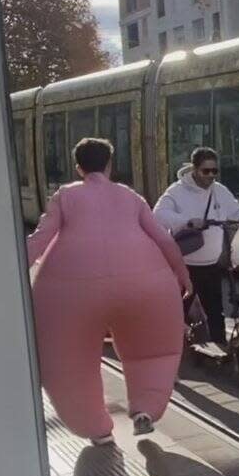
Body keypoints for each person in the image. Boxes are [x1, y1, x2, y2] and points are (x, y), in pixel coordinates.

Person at [26, 137, 191, 442]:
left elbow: (40, 238)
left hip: (71, 291)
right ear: (110, 164)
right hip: (147, 286)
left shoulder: (65, 196)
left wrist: (13, 270)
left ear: (78, 167)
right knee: (152, 354)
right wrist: (182, 276)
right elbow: (164, 240)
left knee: (69, 362)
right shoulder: (130, 197)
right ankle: (146, 408)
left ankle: (96, 428)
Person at [154, 147, 239, 347]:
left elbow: (234, 208)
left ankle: (219, 345)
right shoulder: (177, 191)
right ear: (195, 169)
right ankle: (171, 345)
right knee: (179, 307)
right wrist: (188, 221)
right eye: (206, 171)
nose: (211, 176)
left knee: (215, 307)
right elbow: (159, 214)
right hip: (186, 265)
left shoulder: (219, 190)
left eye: (215, 171)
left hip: (212, 263)